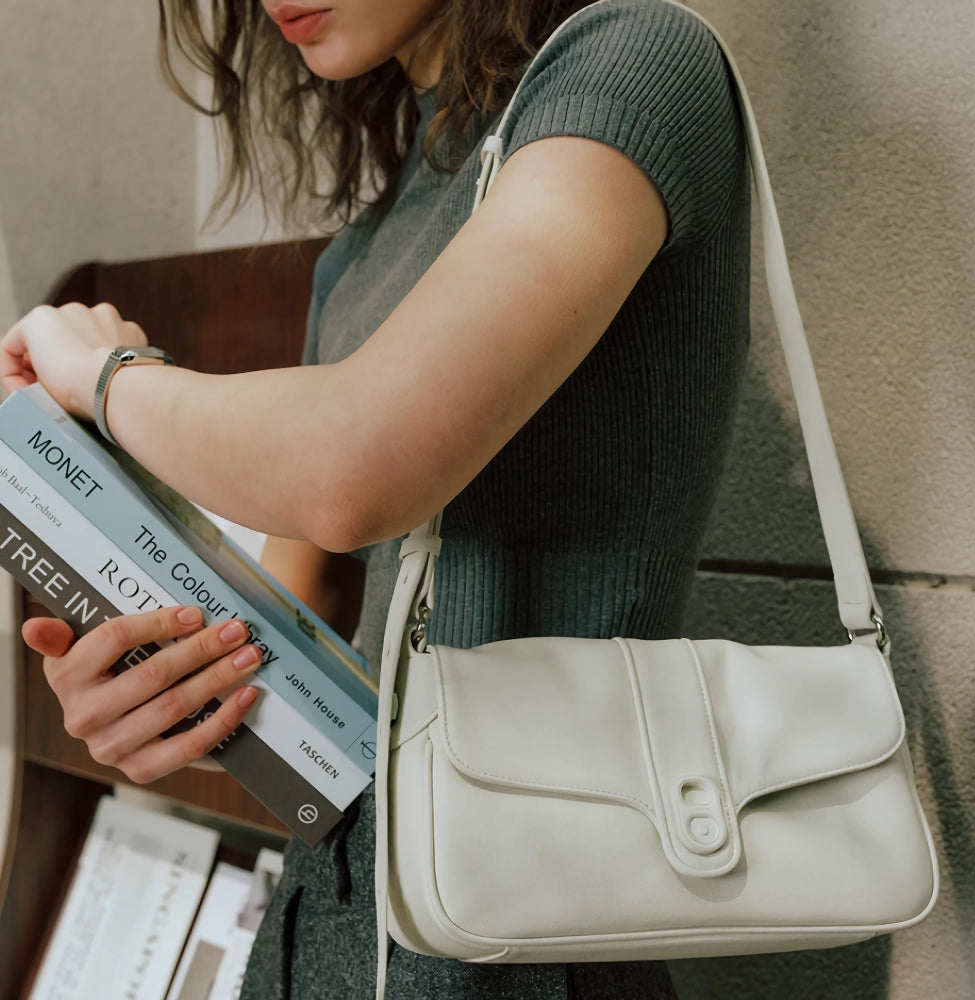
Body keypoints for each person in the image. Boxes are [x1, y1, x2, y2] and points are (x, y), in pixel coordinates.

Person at [1, 0, 750, 995]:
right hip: (322, 931)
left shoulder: (631, 65)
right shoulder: (360, 251)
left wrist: (109, 376)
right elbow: (295, 678)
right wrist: (159, 695)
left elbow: (355, 467)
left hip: (519, 938)